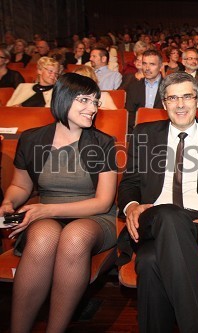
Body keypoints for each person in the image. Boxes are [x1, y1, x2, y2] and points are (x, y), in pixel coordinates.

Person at [117, 71, 198, 332]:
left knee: (150, 262)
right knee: (167, 214)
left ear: (197, 100)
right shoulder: (144, 133)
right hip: (152, 219)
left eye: (187, 96)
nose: (180, 104)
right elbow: (129, 183)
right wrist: (132, 207)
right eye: (172, 98)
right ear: (163, 104)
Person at [0, 73, 117, 332]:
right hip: (45, 215)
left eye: (95, 102)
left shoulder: (103, 143)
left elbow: (102, 202)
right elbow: (21, 186)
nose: (92, 108)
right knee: (43, 237)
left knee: (74, 236)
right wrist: (8, 202)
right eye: (84, 100)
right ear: (63, 99)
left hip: (94, 217)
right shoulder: (32, 139)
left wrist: (46, 209)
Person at [125, 49, 164, 133]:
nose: (147, 68)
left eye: (152, 64)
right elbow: (129, 113)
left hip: (162, 131)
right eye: (144, 64)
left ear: (161, 67)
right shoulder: (133, 87)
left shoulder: (170, 87)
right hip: (138, 130)